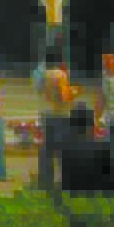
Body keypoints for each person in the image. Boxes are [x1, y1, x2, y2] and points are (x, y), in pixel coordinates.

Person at [37, 51, 80, 190]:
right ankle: (64, 181)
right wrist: (74, 92)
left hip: (46, 114)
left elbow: (40, 90)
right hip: (60, 115)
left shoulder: (44, 74)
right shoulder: (60, 75)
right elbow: (63, 97)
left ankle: (45, 180)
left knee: (47, 149)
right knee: (62, 149)